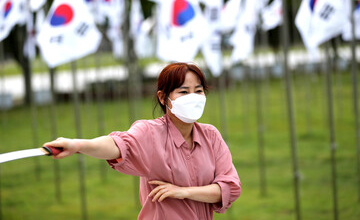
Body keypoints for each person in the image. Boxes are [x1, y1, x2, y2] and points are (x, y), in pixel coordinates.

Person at [43, 62, 241, 220]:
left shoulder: (211, 135)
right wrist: (77, 144)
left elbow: (229, 188)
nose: (193, 97)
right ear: (163, 98)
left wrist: (183, 192)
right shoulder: (150, 132)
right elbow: (117, 145)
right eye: (183, 91)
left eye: (198, 91)